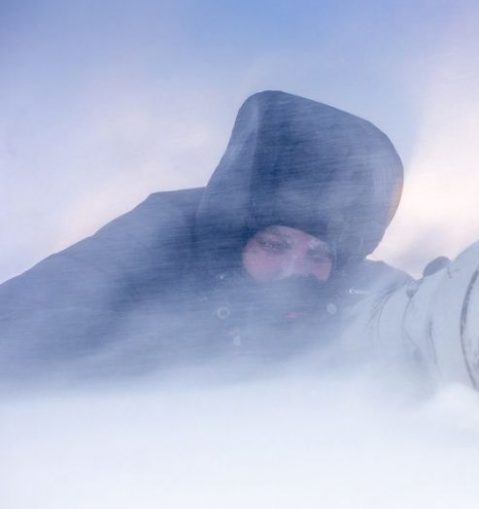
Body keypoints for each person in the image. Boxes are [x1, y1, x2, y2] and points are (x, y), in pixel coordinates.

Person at [0, 90, 411, 381]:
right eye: (274, 244)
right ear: (235, 241)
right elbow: (50, 300)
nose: (294, 269)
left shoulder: (349, 289)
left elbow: (423, 312)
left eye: (319, 253)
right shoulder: (163, 237)